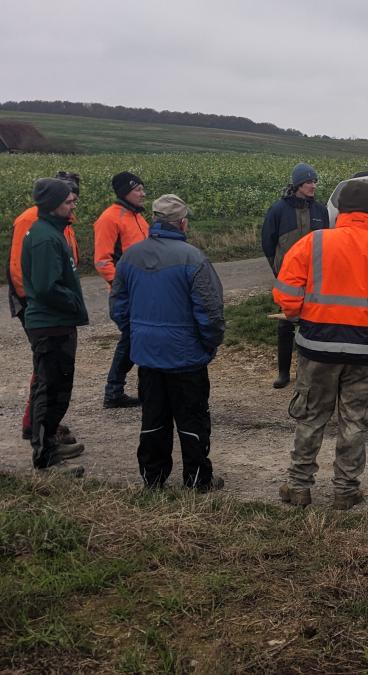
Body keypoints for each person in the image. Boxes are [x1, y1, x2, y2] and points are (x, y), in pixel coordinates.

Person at [271, 181, 368, 510]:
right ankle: (345, 491)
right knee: (354, 421)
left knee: (311, 417)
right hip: (365, 353)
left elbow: (286, 295)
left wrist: (303, 316)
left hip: (317, 347)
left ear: (339, 209)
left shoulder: (313, 243)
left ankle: (298, 487)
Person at [110, 194, 227, 492]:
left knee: (153, 418)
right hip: (186, 357)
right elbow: (210, 311)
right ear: (183, 222)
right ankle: (198, 479)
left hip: (148, 357)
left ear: (154, 220)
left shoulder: (130, 257)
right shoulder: (193, 258)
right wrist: (209, 345)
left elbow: (119, 307)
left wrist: (137, 335)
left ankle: (153, 477)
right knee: (193, 419)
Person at [21, 177, 89, 476]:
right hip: (50, 324)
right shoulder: (45, 237)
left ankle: (49, 442)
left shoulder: (51, 231)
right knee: (50, 389)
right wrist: (74, 302)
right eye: (68, 201)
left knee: (59, 386)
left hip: (56, 322)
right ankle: (44, 456)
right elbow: (48, 287)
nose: (73, 203)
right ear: (53, 205)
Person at [8, 170, 81, 446]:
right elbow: (19, 270)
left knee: (47, 366)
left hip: (48, 306)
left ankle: (40, 425)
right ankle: (37, 427)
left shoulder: (63, 222)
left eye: (75, 193)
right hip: (38, 307)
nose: (74, 199)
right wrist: (35, 305)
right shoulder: (31, 220)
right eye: (68, 194)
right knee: (47, 366)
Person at [261, 162, 329, 389]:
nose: (313, 185)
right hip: (289, 279)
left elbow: (327, 243)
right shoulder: (279, 209)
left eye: (314, 181)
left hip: (315, 278)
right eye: (309, 181)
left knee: (314, 324)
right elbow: (268, 243)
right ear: (298, 184)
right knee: (286, 323)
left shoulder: (320, 210)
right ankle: (283, 373)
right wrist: (278, 270)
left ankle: (311, 373)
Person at [93, 171, 149, 408]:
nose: (143, 193)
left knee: (136, 339)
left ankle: (123, 390)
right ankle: (113, 391)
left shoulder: (138, 217)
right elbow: (102, 261)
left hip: (143, 291)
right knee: (131, 340)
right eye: (138, 189)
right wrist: (123, 286)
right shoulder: (110, 218)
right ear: (126, 192)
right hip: (127, 295)